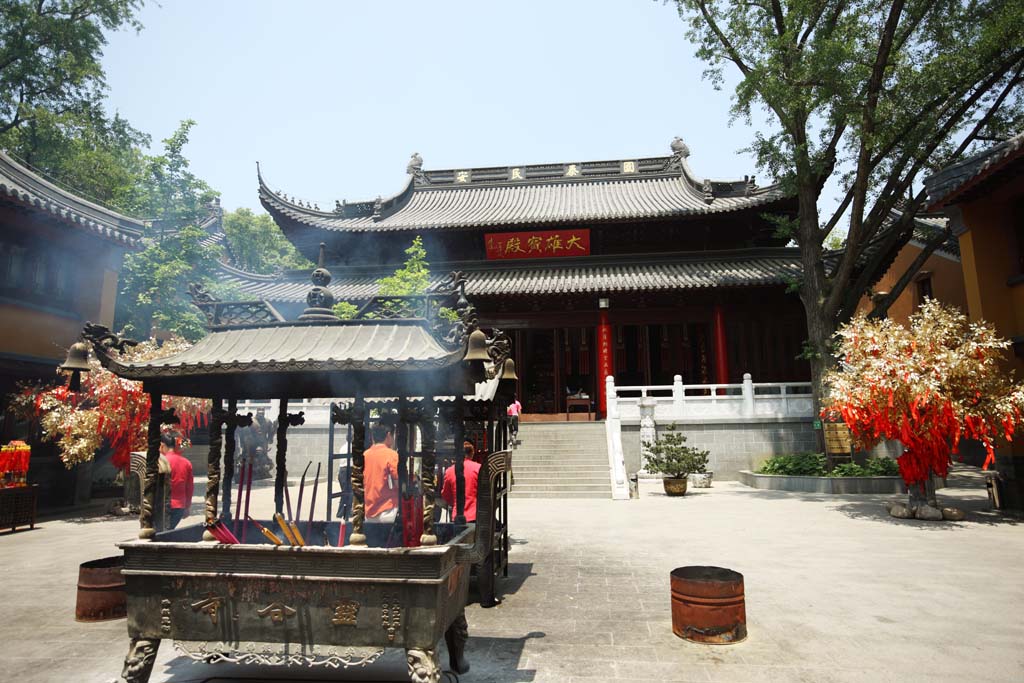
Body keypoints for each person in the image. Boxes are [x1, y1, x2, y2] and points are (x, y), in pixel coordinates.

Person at [364, 423, 399, 526]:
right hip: (388, 509)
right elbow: (398, 482)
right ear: (388, 435)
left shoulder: (365, 455)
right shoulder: (392, 455)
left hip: (369, 511)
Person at [160, 433, 194, 529]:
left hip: (162, 506)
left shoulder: (160, 461)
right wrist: (187, 506)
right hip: (179, 506)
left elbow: (188, 444)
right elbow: (190, 487)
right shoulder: (187, 462)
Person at [441, 441, 481, 522]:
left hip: (457, 516)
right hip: (476, 514)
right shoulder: (479, 468)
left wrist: (454, 502)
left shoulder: (449, 471)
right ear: (472, 453)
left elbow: (446, 495)